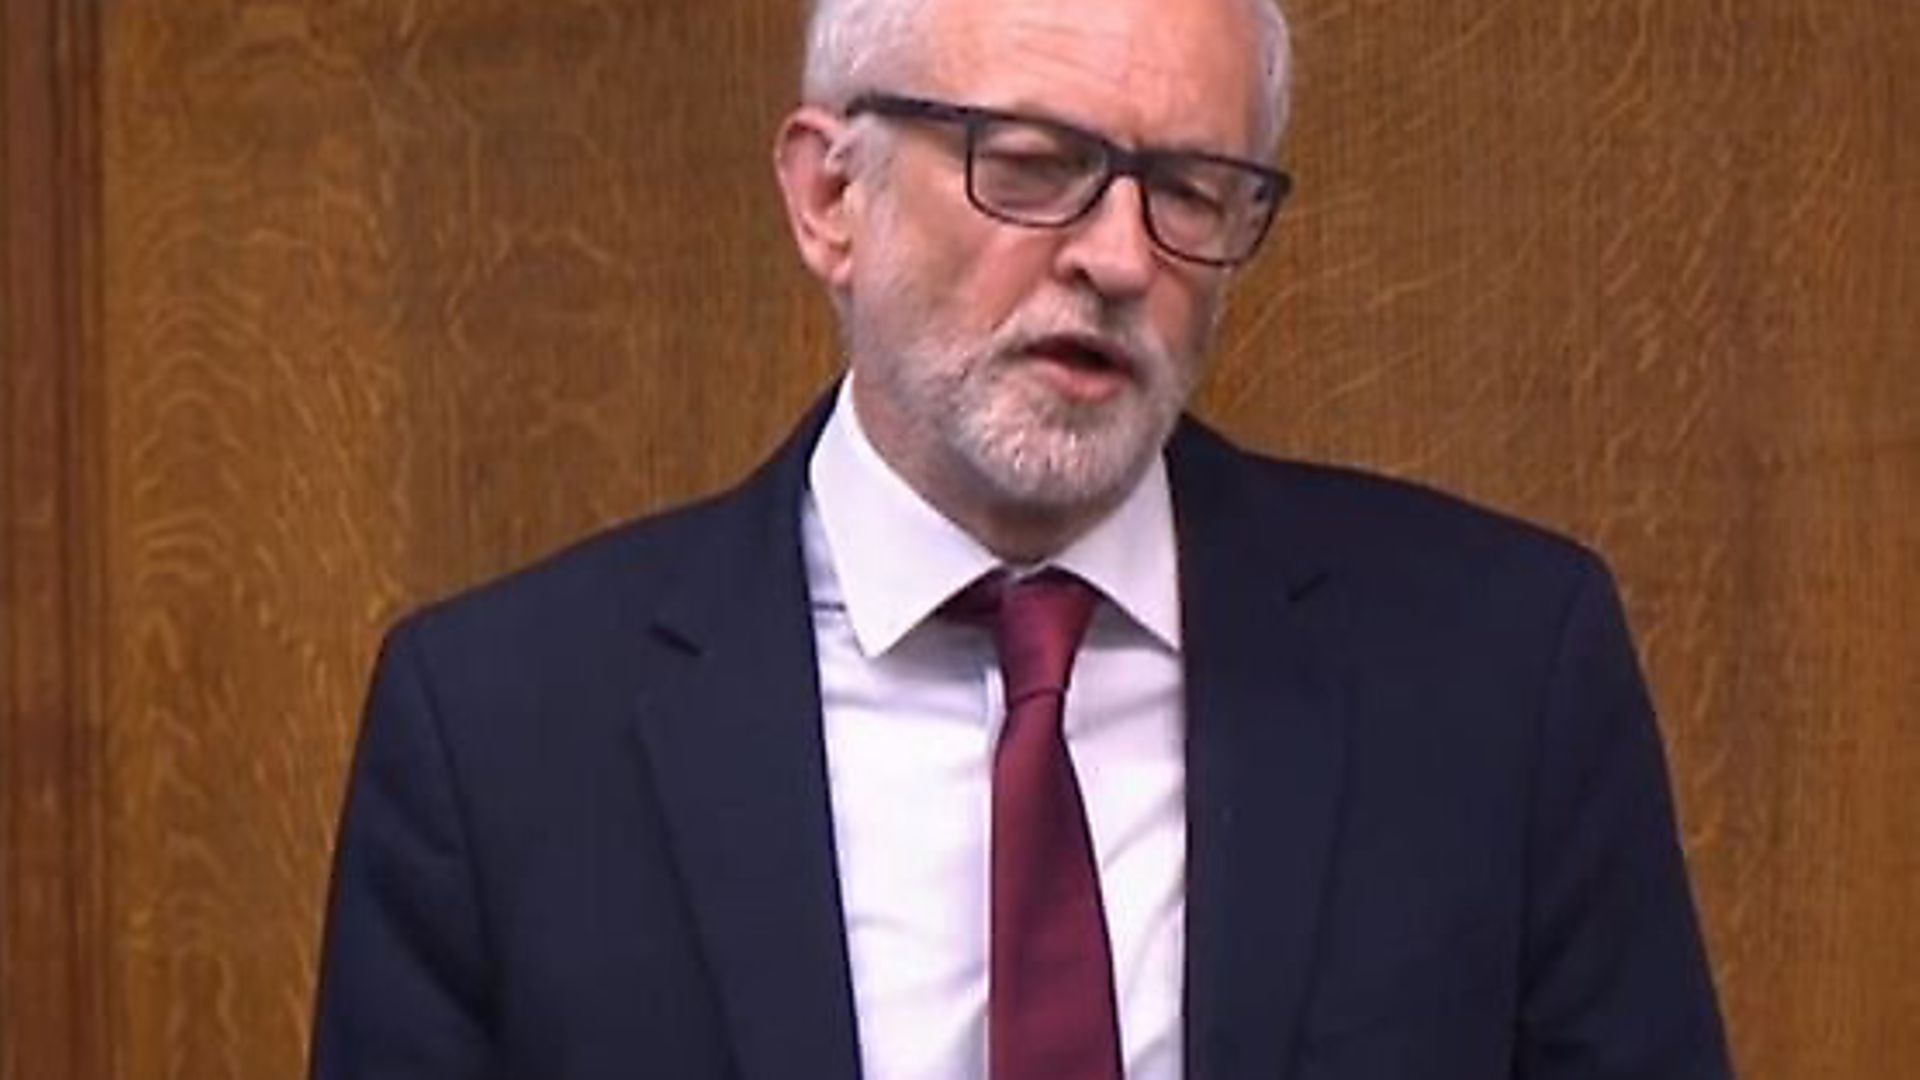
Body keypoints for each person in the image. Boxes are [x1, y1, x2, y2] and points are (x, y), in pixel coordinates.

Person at [311, 0, 1732, 1075]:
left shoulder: (1498, 675)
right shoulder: (499, 732)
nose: (1118, 257)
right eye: (1035, 165)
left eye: (1190, 191)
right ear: (830, 197)